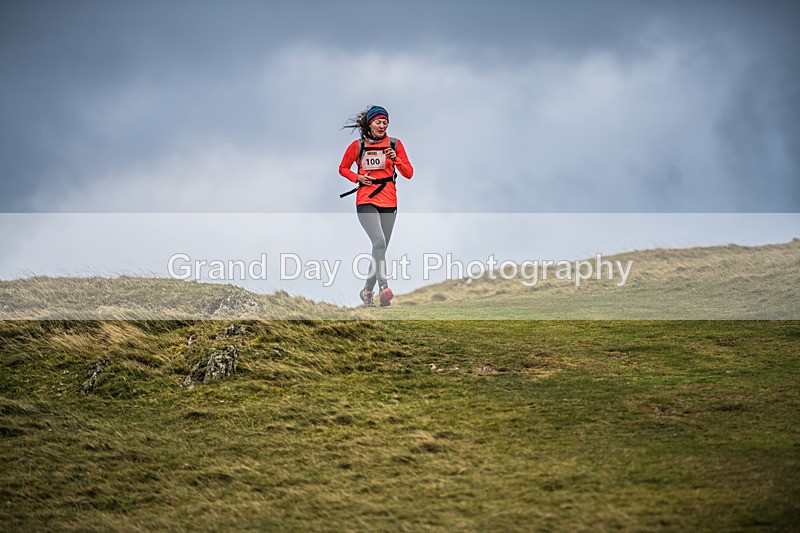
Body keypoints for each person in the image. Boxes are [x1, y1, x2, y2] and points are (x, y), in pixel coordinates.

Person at [339, 105, 414, 307]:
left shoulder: (395, 144)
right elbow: (343, 168)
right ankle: (384, 288)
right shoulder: (358, 146)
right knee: (379, 242)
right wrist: (357, 177)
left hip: (389, 201)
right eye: (378, 122)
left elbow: (409, 172)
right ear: (370, 124)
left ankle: (366, 292)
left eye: (385, 122)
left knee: (379, 249)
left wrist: (395, 159)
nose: (382, 125)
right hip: (366, 200)